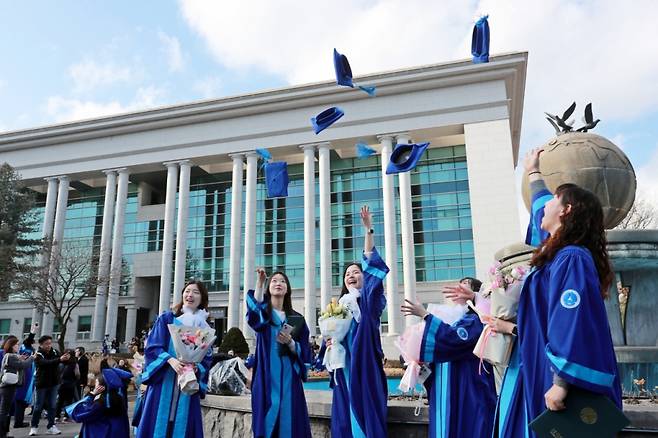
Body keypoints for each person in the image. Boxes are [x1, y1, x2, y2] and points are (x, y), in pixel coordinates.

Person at [492, 148, 622, 437]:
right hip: (542, 367)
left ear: (566, 210)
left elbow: (571, 322)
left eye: (554, 199)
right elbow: (541, 212)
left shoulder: (571, 258)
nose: (544, 205)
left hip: (560, 379)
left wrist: (561, 382)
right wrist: (533, 172)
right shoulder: (558, 254)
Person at [324, 205, 389, 437]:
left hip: (365, 364)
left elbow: (373, 266)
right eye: (348, 274)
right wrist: (329, 343)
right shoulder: (338, 306)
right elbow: (330, 336)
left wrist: (368, 231)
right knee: (344, 413)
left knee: (366, 411)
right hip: (344, 365)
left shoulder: (370, 301)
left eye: (356, 272)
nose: (352, 275)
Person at [401, 293, 497, 437]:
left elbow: (452, 338)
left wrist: (426, 315)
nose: (458, 292)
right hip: (449, 392)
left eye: (465, 287)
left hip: (470, 390)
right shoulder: (454, 321)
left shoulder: (476, 321)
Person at [136, 280, 213, 438]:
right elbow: (153, 347)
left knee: (182, 426)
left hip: (187, 386)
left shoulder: (204, 328)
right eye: (187, 291)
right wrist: (170, 360)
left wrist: (197, 367)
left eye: (195, 292)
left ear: (202, 298)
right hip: (164, 383)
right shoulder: (167, 318)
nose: (190, 295)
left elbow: (207, 359)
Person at [247, 268, 312, 438]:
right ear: (269, 288)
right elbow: (254, 316)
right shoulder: (264, 316)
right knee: (267, 419)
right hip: (267, 378)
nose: (278, 283)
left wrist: (291, 343)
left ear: (287, 289)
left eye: (282, 281)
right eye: (274, 281)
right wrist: (260, 283)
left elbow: (305, 349)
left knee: (291, 422)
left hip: (290, 380)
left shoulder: (296, 319)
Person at [66, 367, 132, 438]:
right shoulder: (119, 398)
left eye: (96, 382)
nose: (95, 385)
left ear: (101, 386)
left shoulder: (100, 402)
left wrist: (91, 395)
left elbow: (76, 413)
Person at [29, 335, 69, 436]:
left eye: (50, 343)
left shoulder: (55, 352)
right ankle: (34, 426)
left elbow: (61, 360)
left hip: (54, 383)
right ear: (41, 345)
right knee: (38, 406)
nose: (49, 346)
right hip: (41, 384)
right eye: (46, 344)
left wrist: (66, 358)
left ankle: (51, 426)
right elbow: (44, 363)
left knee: (52, 405)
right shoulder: (38, 354)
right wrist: (60, 359)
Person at [0, 337, 34, 438]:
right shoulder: (10, 356)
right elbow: (23, 366)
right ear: (11, 346)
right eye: (16, 345)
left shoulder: (9, 355)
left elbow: (18, 363)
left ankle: (4, 433)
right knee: (4, 411)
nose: (18, 346)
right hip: (8, 387)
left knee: (5, 410)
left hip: (7, 386)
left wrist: (21, 358)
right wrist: (32, 358)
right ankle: (2, 434)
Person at [13, 331, 37, 428]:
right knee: (20, 400)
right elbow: (28, 341)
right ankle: (18, 422)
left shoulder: (26, 349)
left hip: (28, 376)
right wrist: (33, 332)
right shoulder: (24, 348)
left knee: (22, 401)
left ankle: (19, 421)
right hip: (24, 376)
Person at [55, 349, 79, 423]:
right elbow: (77, 374)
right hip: (70, 383)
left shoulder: (60, 363)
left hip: (62, 384)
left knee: (60, 401)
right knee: (68, 401)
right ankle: (66, 416)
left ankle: (57, 416)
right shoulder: (74, 364)